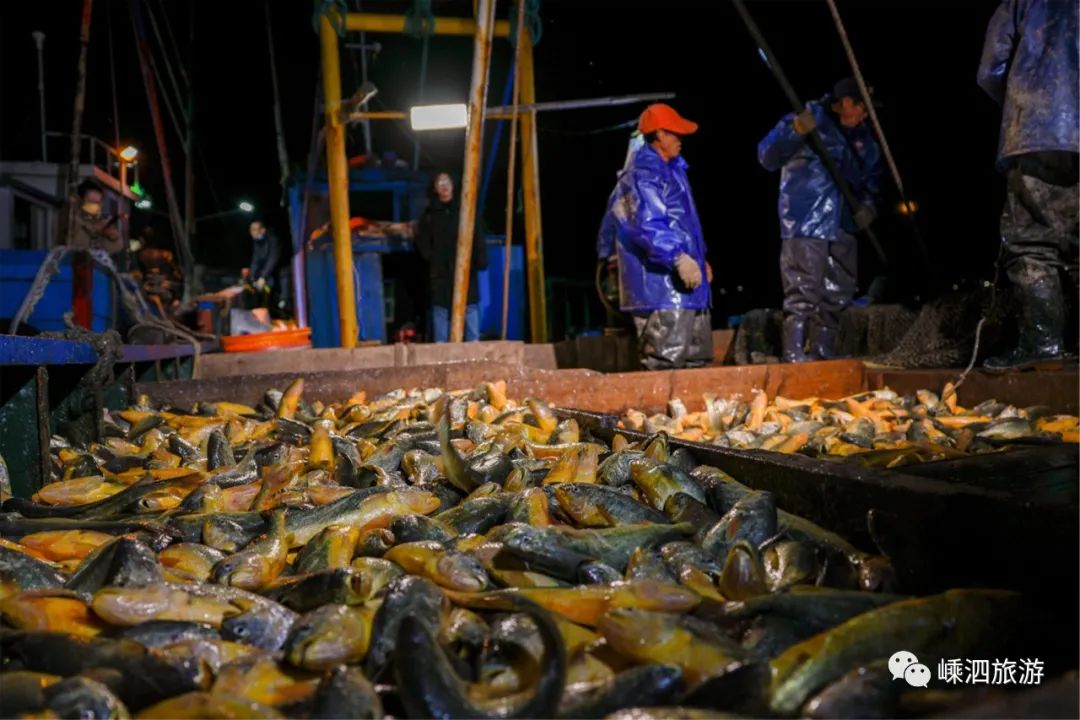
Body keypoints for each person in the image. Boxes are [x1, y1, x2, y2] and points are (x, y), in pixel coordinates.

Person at [978, 0, 1079, 370]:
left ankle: (1043, 343)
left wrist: (1026, 104)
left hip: (1039, 130)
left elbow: (991, 67)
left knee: (1033, 239)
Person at [758, 78, 882, 362]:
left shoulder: (864, 140)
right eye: (862, 107)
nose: (865, 115)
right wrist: (795, 131)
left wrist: (869, 207)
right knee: (803, 288)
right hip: (806, 221)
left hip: (843, 225)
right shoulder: (808, 119)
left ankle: (823, 348)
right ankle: (794, 350)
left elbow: (873, 181)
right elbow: (767, 155)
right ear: (847, 103)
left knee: (839, 290)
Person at [598, 103, 712, 370]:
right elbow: (647, 225)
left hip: (687, 290)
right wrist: (678, 258)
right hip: (662, 290)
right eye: (675, 133)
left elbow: (686, 224)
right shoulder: (644, 173)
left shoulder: (673, 170)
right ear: (660, 134)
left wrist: (699, 259)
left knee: (696, 363)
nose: (681, 139)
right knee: (664, 364)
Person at [414, 172, 488, 342]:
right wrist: (433, 258)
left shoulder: (466, 210)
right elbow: (422, 240)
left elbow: (478, 235)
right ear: (435, 188)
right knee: (441, 309)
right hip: (441, 271)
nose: (444, 186)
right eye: (440, 183)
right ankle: (442, 352)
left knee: (469, 307)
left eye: (446, 182)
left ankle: (473, 351)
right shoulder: (430, 215)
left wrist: (480, 259)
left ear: (453, 185)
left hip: (465, 267)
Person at [245, 220, 290, 317]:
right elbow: (255, 260)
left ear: (263, 230)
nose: (252, 233)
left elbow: (273, 259)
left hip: (282, 271)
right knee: (270, 296)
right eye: (251, 230)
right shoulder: (257, 242)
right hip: (271, 273)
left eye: (254, 230)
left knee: (284, 299)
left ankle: (287, 313)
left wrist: (263, 277)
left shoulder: (273, 239)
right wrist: (252, 277)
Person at [68, 179, 124, 254]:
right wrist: (93, 228)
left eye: (98, 202)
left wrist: (112, 237)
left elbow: (115, 248)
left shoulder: (102, 221)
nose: (96, 206)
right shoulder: (70, 217)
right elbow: (74, 242)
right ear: (79, 200)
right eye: (91, 202)